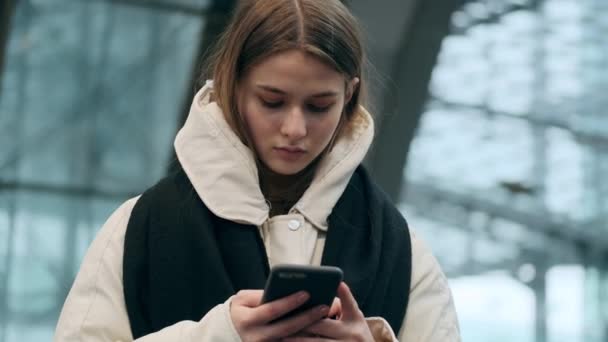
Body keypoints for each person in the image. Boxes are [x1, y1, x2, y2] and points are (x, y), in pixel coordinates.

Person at [54, 0, 460, 341]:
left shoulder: (401, 248)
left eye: (319, 106)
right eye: (272, 101)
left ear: (349, 94)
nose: (295, 129)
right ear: (233, 86)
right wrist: (218, 335)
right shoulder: (139, 227)